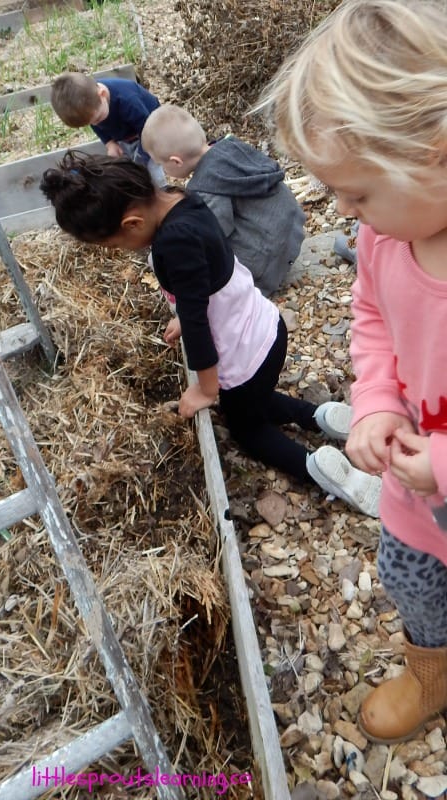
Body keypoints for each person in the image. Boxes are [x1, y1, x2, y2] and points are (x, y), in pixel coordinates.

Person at [259, 0, 447, 744]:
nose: (342, 210)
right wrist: (372, 402)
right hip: (414, 502)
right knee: (413, 584)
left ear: (435, 148)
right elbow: (372, 322)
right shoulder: (382, 240)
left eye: (358, 191)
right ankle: (432, 673)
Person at [40, 150, 381, 518]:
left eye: (114, 245)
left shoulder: (171, 244)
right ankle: (322, 418)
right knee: (258, 399)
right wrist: (186, 316)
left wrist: (205, 388)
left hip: (242, 353)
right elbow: (205, 273)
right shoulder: (179, 197)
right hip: (266, 325)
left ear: (133, 223)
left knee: (247, 428)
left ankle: (317, 467)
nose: (119, 252)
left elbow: (197, 318)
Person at [141, 104, 306, 297]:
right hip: (292, 232)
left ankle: (253, 288)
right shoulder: (231, 147)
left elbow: (214, 234)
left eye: (161, 164)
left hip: (267, 263)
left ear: (176, 161)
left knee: (209, 254)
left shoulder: (207, 185)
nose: (162, 170)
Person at [50, 71, 165, 186]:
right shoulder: (93, 106)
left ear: (103, 94)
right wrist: (109, 143)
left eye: (98, 119)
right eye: (91, 123)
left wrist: (141, 159)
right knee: (126, 167)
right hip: (125, 133)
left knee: (151, 171)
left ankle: (161, 190)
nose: (95, 125)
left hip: (150, 129)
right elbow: (96, 124)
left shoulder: (128, 101)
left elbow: (148, 132)